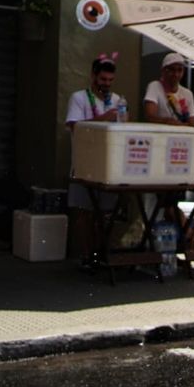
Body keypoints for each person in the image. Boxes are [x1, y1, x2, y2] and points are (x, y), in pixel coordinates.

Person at [64, 54, 129, 263]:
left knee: (106, 214)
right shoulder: (79, 98)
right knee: (84, 213)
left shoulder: (118, 100)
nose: (106, 85)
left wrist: (122, 120)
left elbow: (123, 132)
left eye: (110, 81)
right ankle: (85, 257)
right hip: (83, 167)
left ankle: (101, 256)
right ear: (93, 76)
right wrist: (104, 119)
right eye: (102, 80)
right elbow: (74, 127)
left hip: (108, 168)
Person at [143, 52, 194, 127]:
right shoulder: (154, 86)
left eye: (179, 70)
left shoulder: (187, 93)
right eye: (172, 69)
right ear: (163, 71)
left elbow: (193, 125)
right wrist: (167, 121)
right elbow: (150, 116)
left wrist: (178, 125)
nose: (176, 74)